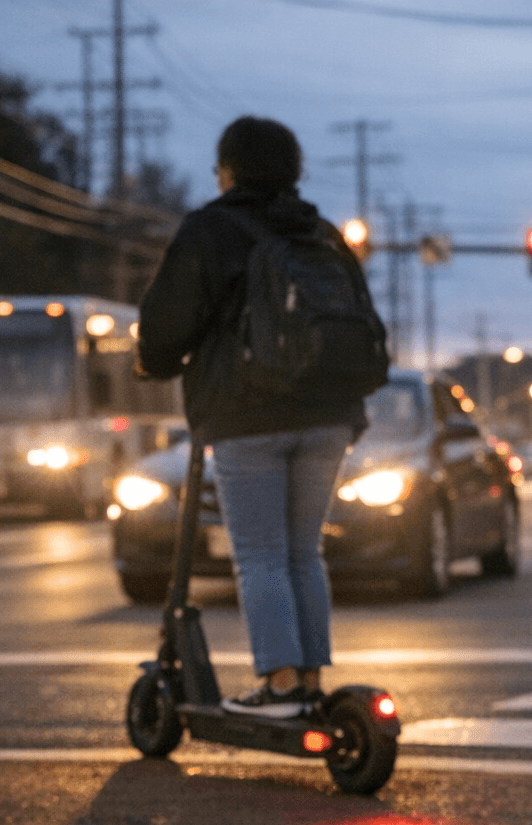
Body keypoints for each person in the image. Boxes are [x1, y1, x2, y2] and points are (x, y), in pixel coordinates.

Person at [137, 116, 370, 717]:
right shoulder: (322, 234)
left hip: (249, 416)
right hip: (330, 414)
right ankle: (311, 681)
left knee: (261, 554)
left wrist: (153, 361)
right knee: (304, 551)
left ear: (229, 171)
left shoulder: (211, 230)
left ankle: (281, 687)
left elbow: (166, 326)